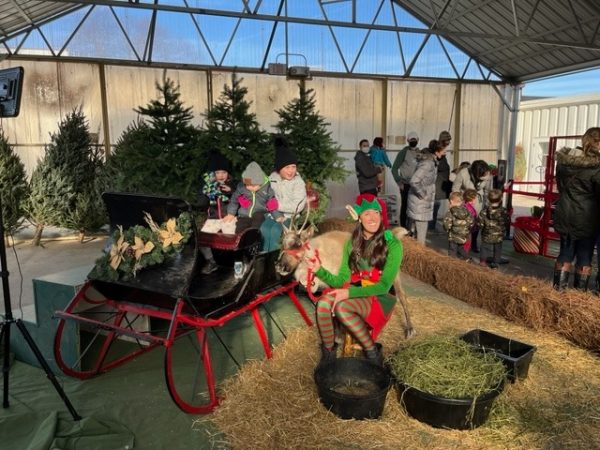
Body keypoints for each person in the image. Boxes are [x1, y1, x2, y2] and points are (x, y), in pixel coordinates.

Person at [305, 194, 403, 366]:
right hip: (356, 287)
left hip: (379, 295)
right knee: (323, 304)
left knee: (342, 308)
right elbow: (341, 280)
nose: (372, 218)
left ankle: (372, 353)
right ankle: (328, 356)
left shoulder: (393, 244)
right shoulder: (352, 243)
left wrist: (347, 293)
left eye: (376, 213)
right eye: (367, 214)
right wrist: (318, 270)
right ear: (359, 217)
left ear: (381, 215)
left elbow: (384, 286)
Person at [552, 127, 600, 291]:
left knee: (565, 253)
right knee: (584, 256)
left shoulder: (564, 162)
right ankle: (578, 297)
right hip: (587, 217)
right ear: (597, 143)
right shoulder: (596, 167)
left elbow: (560, 187)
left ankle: (558, 292)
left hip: (565, 212)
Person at [261, 136, 307, 252]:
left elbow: (299, 205)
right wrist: (273, 210)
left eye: (293, 167)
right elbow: (267, 196)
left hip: (290, 217)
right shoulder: (272, 178)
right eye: (287, 167)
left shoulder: (298, 182)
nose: (291, 170)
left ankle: (275, 256)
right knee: (264, 228)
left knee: (276, 231)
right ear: (279, 169)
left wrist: (277, 205)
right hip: (273, 214)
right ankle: (264, 255)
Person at [198, 152, 235, 274]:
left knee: (231, 239)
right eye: (218, 172)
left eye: (224, 172)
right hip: (213, 218)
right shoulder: (209, 187)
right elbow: (201, 203)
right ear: (213, 174)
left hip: (228, 218)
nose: (221, 175)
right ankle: (211, 261)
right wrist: (205, 193)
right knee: (202, 239)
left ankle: (234, 262)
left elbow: (241, 200)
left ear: (228, 174)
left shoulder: (232, 185)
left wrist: (230, 191)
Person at [223, 161, 282, 235]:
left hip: (260, 213)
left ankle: (254, 237)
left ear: (260, 182)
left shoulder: (267, 190)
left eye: (254, 186)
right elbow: (234, 201)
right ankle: (241, 242)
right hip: (244, 214)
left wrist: (277, 216)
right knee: (239, 228)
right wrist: (231, 213)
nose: (251, 188)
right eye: (248, 185)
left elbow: (272, 205)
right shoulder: (242, 188)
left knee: (257, 222)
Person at [406, 140, 445, 245]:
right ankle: (419, 257)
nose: (445, 152)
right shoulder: (428, 163)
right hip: (420, 203)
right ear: (436, 151)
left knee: (415, 234)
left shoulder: (431, 161)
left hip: (420, 202)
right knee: (420, 238)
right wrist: (423, 194)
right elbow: (414, 181)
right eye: (443, 150)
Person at [452, 159, 492, 253]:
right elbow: (455, 188)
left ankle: (473, 243)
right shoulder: (463, 173)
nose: (485, 176)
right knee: (463, 223)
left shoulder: (487, 175)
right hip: (464, 200)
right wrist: (457, 202)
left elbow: (487, 191)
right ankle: (461, 244)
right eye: (482, 175)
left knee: (476, 222)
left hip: (478, 200)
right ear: (476, 173)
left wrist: (488, 205)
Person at [392, 131, 420, 228]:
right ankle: (403, 227)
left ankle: (413, 227)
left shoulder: (420, 153)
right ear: (408, 140)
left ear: (418, 140)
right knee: (405, 206)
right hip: (406, 184)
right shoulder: (403, 152)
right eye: (411, 139)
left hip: (417, 184)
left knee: (415, 206)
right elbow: (394, 168)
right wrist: (399, 181)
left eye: (414, 139)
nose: (413, 141)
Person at [477, 189, 510, 269]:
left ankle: (482, 262)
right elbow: (507, 221)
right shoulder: (504, 211)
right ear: (501, 199)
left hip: (486, 235)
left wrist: (480, 227)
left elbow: (480, 224)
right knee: (497, 249)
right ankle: (495, 263)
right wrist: (504, 230)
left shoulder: (484, 211)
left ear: (488, 199)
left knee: (484, 248)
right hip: (499, 235)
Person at [430, 131, 452, 232]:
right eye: (448, 140)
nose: (449, 142)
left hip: (440, 182)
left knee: (436, 205)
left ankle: (432, 225)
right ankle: (431, 226)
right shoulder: (438, 151)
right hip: (437, 183)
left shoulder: (441, 151)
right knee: (435, 205)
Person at [443, 191, 473, 261]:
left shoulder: (450, 212)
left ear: (451, 201)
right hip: (463, 235)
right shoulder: (466, 210)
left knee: (452, 250)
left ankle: (452, 263)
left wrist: (447, 229)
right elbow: (471, 221)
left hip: (453, 236)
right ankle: (467, 258)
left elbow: (446, 224)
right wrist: (466, 229)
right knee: (461, 248)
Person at [462, 189, 478, 253]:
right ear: (473, 199)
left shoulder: (463, 206)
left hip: (463, 229)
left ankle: (462, 254)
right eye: (475, 198)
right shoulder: (470, 208)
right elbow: (472, 220)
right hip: (468, 230)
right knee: (467, 244)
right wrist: (474, 227)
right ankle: (464, 255)